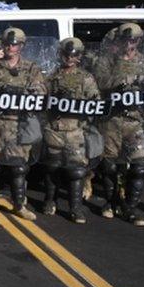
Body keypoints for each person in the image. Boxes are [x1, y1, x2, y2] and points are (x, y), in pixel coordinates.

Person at [0, 28, 45, 221]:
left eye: (13, 44)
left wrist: (21, 93)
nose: (9, 47)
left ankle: (19, 204)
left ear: (21, 46)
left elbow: (41, 93)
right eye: (7, 44)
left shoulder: (32, 69)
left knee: (18, 167)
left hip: (18, 124)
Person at [96, 22, 144, 226]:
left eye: (133, 40)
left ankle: (130, 207)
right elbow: (100, 82)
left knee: (140, 166)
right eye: (125, 39)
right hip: (111, 121)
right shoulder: (107, 61)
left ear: (139, 40)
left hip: (136, 121)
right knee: (110, 166)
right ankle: (111, 202)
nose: (129, 44)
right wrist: (122, 80)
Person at [41, 37, 102, 224]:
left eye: (74, 54)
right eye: (66, 54)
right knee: (52, 167)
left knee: (76, 171)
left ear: (79, 56)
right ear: (61, 54)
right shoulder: (51, 77)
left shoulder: (86, 78)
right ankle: (50, 200)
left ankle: (75, 208)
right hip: (54, 129)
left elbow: (96, 104)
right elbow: (41, 102)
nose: (69, 58)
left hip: (76, 130)